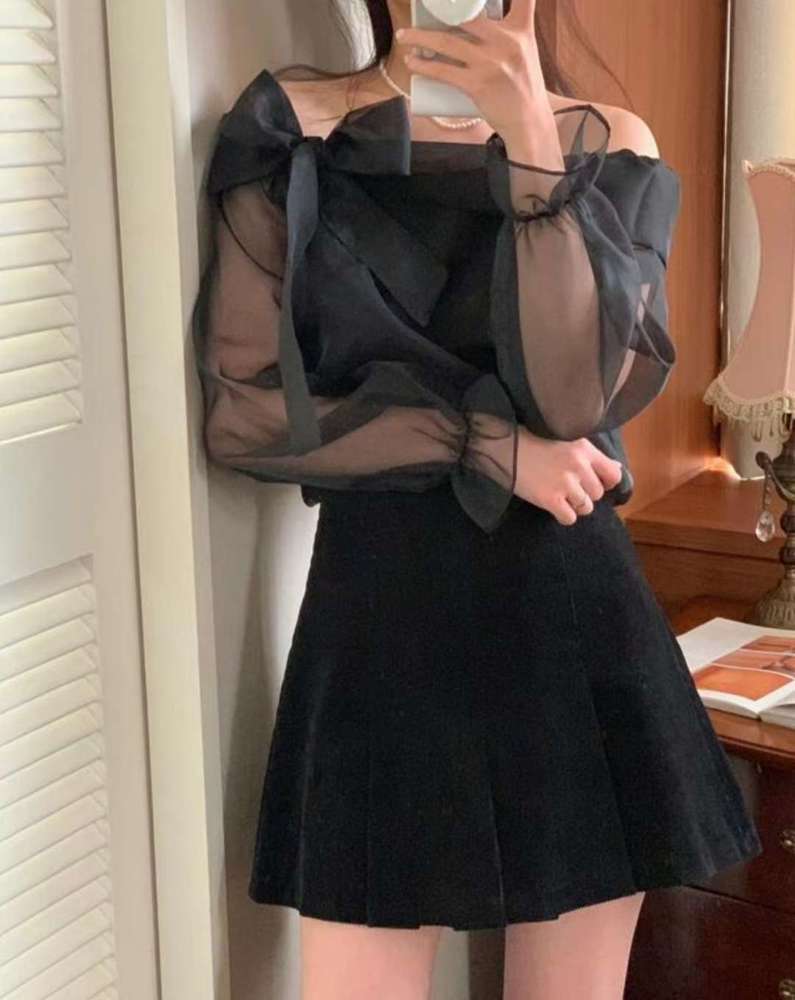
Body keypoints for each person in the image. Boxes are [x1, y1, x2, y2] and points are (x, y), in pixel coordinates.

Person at [192, 1, 763, 997]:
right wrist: (482, 443)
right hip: (379, 630)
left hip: (570, 622)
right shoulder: (291, 125)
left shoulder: (609, 142)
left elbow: (576, 398)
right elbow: (244, 412)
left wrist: (532, 137)